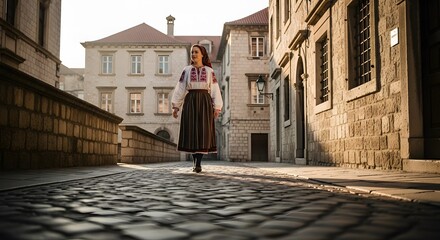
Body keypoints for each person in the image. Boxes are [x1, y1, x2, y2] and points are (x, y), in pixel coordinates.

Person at [171, 44, 223, 173]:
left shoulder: (209, 71)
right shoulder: (187, 70)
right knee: (192, 131)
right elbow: (181, 88)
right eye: (192, 52)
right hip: (190, 101)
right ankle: (195, 162)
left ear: (202, 54)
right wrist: (176, 107)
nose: (193, 54)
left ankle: (198, 163)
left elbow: (215, 89)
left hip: (205, 102)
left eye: (196, 52)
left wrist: (216, 107)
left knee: (202, 132)